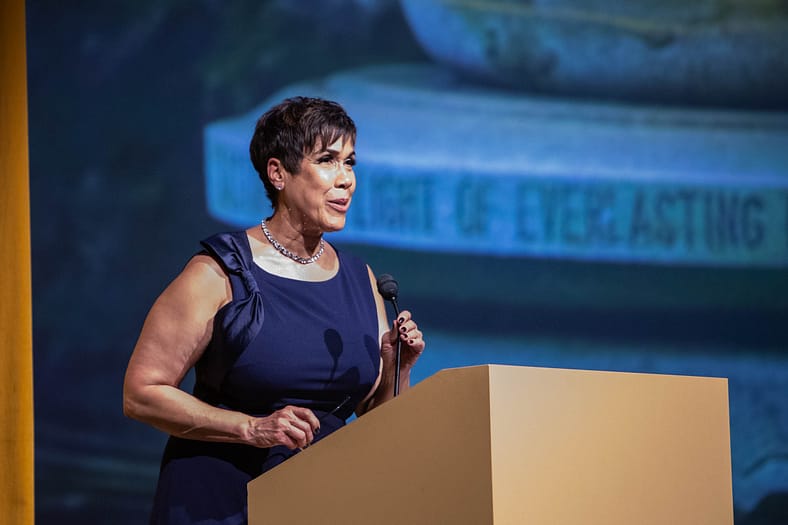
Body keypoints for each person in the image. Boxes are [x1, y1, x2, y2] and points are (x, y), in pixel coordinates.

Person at [123, 96, 426, 525]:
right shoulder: (219, 272)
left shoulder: (363, 280)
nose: (346, 180)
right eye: (327, 160)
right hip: (219, 502)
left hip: (322, 503)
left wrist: (399, 367)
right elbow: (141, 394)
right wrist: (251, 428)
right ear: (278, 173)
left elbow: (374, 419)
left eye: (350, 162)